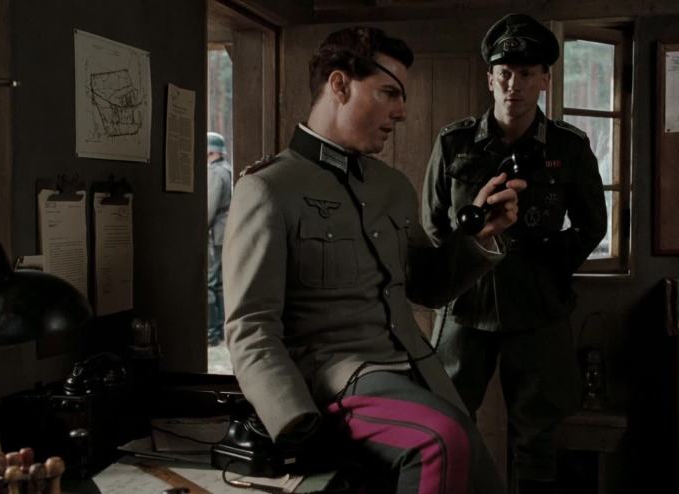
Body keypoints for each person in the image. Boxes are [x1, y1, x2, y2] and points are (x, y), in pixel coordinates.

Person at [223, 26, 526, 493]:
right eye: (389, 92)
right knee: (440, 443)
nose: (401, 111)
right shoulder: (267, 188)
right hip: (337, 379)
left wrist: (479, 237)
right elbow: (250, 327)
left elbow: (427, 288)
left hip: (416, 371)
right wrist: (294, 420)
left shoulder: (391, 187)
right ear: (340, 85)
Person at [421, 14, 607, 494]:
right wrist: (467, 258)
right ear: (490, 78)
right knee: (446, 422)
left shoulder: (569, 146)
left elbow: (592, 225)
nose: (514, 84)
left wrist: (548, 262)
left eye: (526, 73)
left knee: (538, 438)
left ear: (545, 80)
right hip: (466, 304)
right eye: (504, 72)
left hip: (538, 305)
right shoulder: (454, 142)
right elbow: (433, 224)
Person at [207, 131, 232, 346]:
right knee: (222, 283)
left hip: (219, 231)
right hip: (226, 230)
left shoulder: (216, 172)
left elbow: (211, 205)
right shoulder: (228, 169)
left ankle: (213, 331)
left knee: (212, 281)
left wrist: (202, 226)